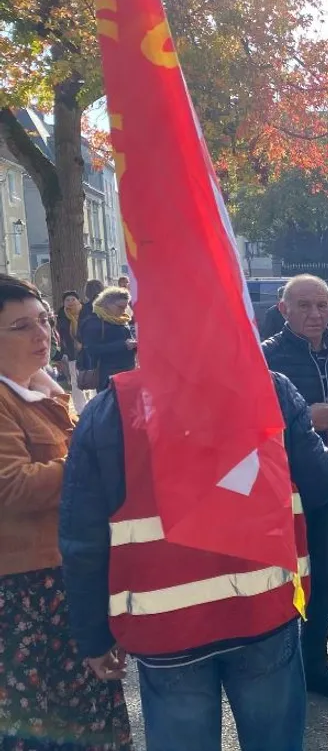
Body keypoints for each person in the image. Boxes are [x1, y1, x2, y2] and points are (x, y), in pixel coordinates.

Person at [60, 368, 328, 751]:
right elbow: (321, 483)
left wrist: (94, 637)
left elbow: (82, 540)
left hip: (168, 628)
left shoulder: (111, 408)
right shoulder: (270, 388)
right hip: (261, 612)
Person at [0, 275, 131, 750]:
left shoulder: (42, 388)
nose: (41, 334)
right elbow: (11, 486)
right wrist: (85, 458)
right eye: (21, 327)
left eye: (43, 321)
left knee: (88, 715)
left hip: (63, 577)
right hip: (22, 593)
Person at [262, 275, 328, 700]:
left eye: (322, 305)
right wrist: (304, 417)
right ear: (284, 309)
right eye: (304, 305)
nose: (315, 314)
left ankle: (315, 665)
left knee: (324, 580)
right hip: (282, 494)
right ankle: (278, 669)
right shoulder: (266, 358)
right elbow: (250, 426)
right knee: (280, 582)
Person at [81, 286, 137, 392]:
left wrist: (135, 346)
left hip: (128, 371)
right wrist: (123, 345)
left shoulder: (123, 320)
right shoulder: (93, 323)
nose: (123, 311)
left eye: (125, 307)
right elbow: (91, 349)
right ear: (107, 304)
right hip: (107, 375)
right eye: (120, 307)